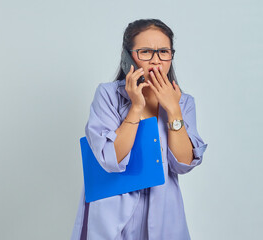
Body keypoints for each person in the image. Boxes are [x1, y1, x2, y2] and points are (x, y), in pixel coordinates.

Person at [71, 19, 208, 240]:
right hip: (112, 210)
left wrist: (173, 110)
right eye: (145, 52)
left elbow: (183, 164)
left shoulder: (183, 102)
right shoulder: (108, 95)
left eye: (163, 52)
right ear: (127, 57)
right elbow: (110, 158)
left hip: (163, 210)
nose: (156, 61)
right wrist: (136, 107)